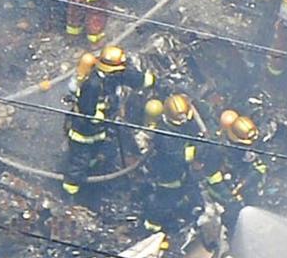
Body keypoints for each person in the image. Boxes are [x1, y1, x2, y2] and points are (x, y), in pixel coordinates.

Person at [63, 45, 149, 196]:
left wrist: (148, 80)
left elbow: (131, 78)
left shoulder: (112, 76)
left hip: (100, 129)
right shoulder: (93, 84)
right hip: (84, 132)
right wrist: (103, 119)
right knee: (79, 161)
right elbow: (87, 111)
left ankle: (93, 167)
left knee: (98, 152)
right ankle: (70, 191)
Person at [144, 93, 203, 235]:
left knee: (186, 189)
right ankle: (153, 227)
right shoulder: (164, 135)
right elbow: (176, 156)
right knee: (165, 200)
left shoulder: (175, 125)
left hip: (179, 172)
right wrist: (196, 151)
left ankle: (189, 208)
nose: (184, 122)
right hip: (167, 174)